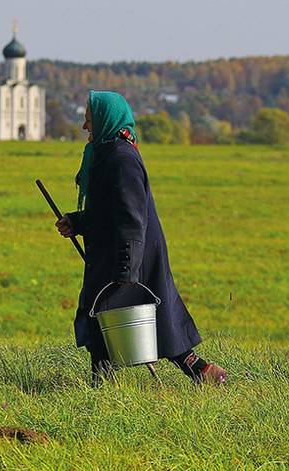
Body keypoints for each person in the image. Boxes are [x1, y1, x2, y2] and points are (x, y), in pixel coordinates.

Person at [56, 90, 226, 387]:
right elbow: (108, 209)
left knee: (123, 315)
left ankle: (105, 384)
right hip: (118, 251)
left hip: (131, 252)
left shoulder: (122, 159)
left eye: (89, 119)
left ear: (106, 119)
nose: (85, 126)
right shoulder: (106, 154)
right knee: (116, 316)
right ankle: (197, 371)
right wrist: (77, 221)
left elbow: (131, 217)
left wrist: (127, 269)